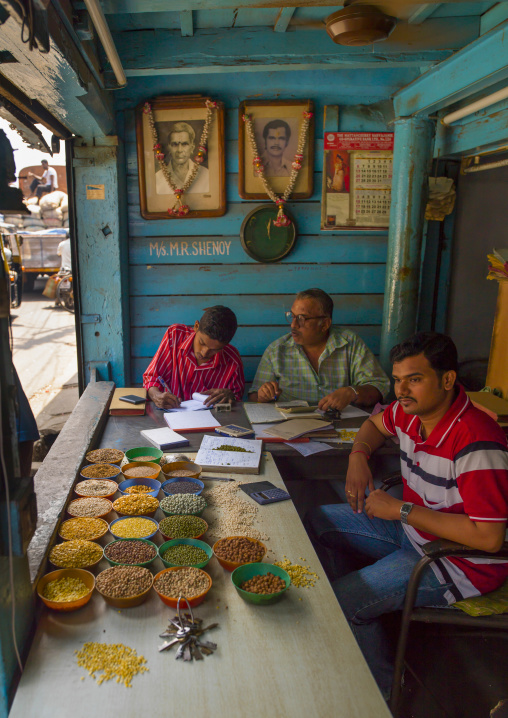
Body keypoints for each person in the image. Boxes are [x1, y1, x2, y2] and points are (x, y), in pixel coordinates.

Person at [306, 332, 508, 699]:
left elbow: (488, 537)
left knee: (341, 604)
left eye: (414, 379)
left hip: (459, 562)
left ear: (447, 380)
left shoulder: (477, 440)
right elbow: (373, 425)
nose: (401, 390)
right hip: (414, 534)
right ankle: (365, 620)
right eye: (397, 380)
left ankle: (381, 692)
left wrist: (401, 509)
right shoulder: (410, 411)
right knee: (320, 519)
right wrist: (358, 455)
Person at [248, 288, 389, 410]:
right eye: (292, 316)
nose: (293, 325)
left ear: (325, 324)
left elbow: (380, 386)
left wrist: (351, 392)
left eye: (302, 318)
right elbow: (254, 396)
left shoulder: (349, 343)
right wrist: (263, 395)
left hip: (340, 424)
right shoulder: (277, 350)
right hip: (289, 427)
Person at [143, 305, 245, 409]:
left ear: (226, 344)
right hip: (168, 418)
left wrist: (232, 397)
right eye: (202, 343)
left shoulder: (232, 360)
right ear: (196, 326)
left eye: (215, 349)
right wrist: (156, 395)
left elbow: (237, 404)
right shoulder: (175, 336)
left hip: (209, 422)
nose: (204, 353)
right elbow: (152, 377)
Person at [155, 122, 209, 195]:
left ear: (192, 147)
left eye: (184, 144)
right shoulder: (158, 177)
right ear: (169, 147)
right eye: (175, 144)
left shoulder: (206, 175)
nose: (179, 150)